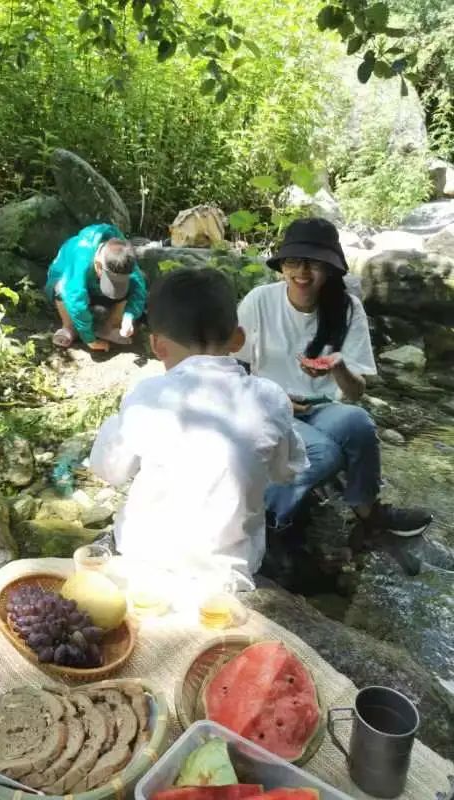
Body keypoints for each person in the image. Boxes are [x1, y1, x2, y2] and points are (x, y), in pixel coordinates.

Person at [89, 267, 308, 575]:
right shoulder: (271, 397)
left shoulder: (149, 395)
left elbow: (109, 470)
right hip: (229, 572)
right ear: (238, 339)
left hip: (144, 557)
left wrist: (118, 420)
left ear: (156, 345)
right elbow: (289, 471)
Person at [235, 217, 432, 538]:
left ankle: (367, 510)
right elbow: (235, 368)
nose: (302, 272)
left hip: (322, 407)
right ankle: (270, 518)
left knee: (359, 423)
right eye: (294, 262)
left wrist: (338, 367)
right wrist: (274, 397)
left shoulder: (347, 308)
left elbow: (355, 393)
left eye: (314, 264)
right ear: (282, 265)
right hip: (269, 404)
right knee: (324, 454)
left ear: (329, 269)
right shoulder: (260, 301)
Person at [45, 222, 147, 353]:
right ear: (98, 265)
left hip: (94, 287)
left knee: (136, 282)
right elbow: (74, 297)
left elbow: (139, 288)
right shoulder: (81, 256)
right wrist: (90, 340)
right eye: (111, 279)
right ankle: (69, 328)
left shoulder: (123, 254)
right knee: (60, 287)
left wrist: (129, 316)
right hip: (67, 287)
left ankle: (108, 328)